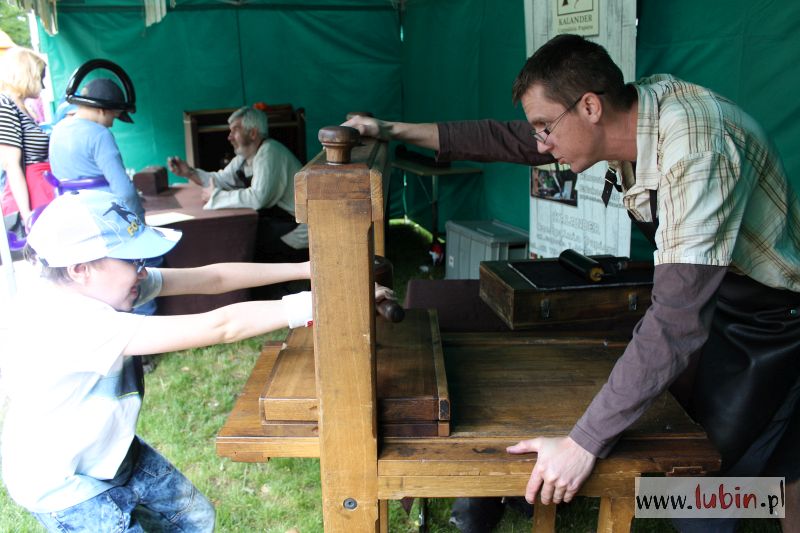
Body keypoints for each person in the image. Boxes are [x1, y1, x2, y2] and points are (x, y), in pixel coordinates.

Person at [346, 34, 800, 532]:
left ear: (589, 106)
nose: (541, 143)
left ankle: (757, 495)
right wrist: (389, 129)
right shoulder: (629, 112)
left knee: (699, 475)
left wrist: (583, 443)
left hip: (773, 317)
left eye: (545, 127)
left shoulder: (695, 148)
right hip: (718, 298)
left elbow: (676, 319)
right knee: (750, 454)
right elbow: (507, 139)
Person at [0, 189, 319, 532]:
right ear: (80, 268)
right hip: (61, 484)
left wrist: (307, 268)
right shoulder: (68, 321)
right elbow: (221, 327)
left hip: (112, 453)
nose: (142, 271)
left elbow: (213, 278)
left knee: (195, 520)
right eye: (132, 260)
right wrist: (315, 304)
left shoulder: (105, 285)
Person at [167, 106, 309, 265]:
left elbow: (258, 197)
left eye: (235, 130)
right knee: (241, 235)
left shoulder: (269, 152)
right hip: (281, 222)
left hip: (299, 229)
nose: (229, 137)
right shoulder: (245, 156)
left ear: (253, 133)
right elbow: (220, 179)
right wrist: (189, 173)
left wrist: (216, 197)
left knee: (242, 241)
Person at [48, 77, 145, 221]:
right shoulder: (100, 134)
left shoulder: (57, 130)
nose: (111, 124)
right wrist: (140, 220)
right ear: (102, 110)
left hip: (70, 214)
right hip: (104, 217)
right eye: (114, 116)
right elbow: (125, 192)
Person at [0, 47, 49, 239]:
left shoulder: (23, 108)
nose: (42, 86)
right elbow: (12, 165)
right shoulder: (4, 104)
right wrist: (27, 214)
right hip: (30, 197)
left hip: (39, 192)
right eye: (40, 78)